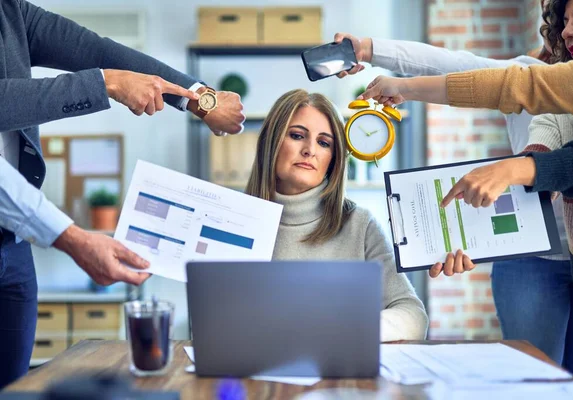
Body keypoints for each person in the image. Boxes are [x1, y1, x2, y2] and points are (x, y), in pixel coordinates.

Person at [331, 0, 573, 382]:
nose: (570, 30)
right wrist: (371, 50)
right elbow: (452, 65)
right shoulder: (531, 79)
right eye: (565, 21)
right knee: (534, 382)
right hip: (530, 259)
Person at [0, 0, 245, 389]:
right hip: (24, 224)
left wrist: (198, 98)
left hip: (12, 245)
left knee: (12, 388)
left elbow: (93, 49)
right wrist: (105, 83)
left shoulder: (9, 10)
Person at [245, 89, 429, 341]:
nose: (310, 150)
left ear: (334, 159)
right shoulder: (238, 220)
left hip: (341, 374)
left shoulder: (359, 224)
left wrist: (341, 327)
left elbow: (414, 317)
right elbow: (209, 324)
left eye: (324, 143)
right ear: (272, 142)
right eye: (297, 136)